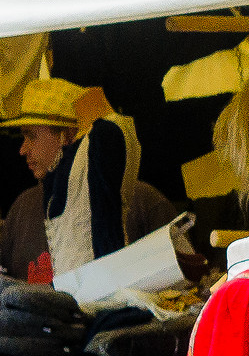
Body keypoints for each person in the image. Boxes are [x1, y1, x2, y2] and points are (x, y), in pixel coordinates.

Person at [0, 77, 175, 283]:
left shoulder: (144, 200)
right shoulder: (24, 205)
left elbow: (176, 281)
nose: (22, 149)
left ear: (67, 135)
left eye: (31, 136)